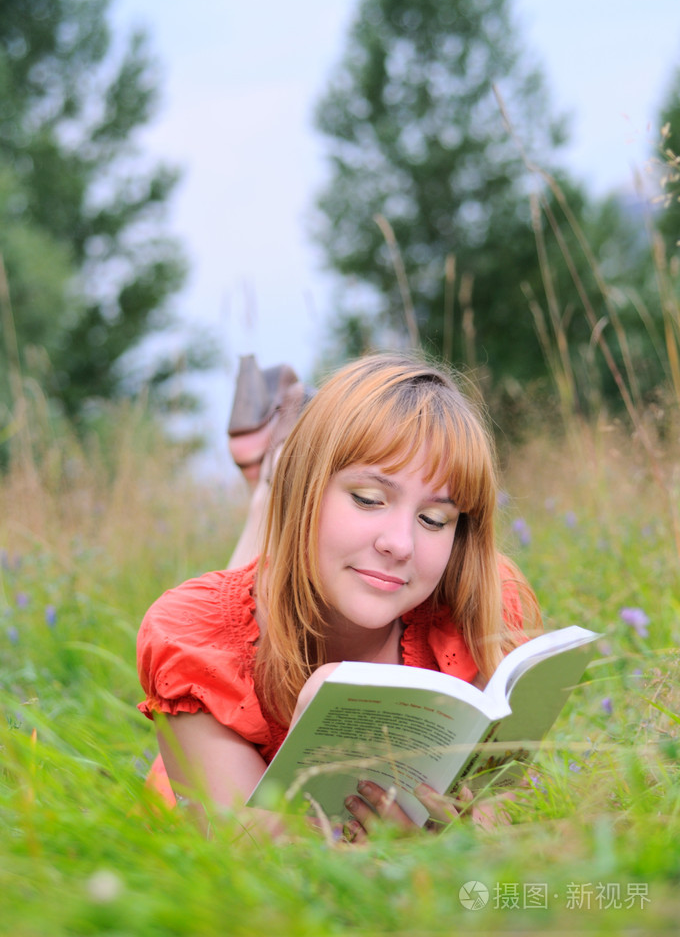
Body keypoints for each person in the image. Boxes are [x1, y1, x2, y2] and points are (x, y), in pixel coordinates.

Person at [136, 352, 541, 839]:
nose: (401, 544)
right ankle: (270, 483)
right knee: (244, 613)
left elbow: (500, 806)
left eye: (435, 519)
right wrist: (318, 751)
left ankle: (272, 468)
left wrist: (448, 848)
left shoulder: (480, 602)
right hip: (207, 778)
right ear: (304, 487)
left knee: (292, 564)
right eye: (369, 499)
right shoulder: (192, 636)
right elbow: (251, 864)